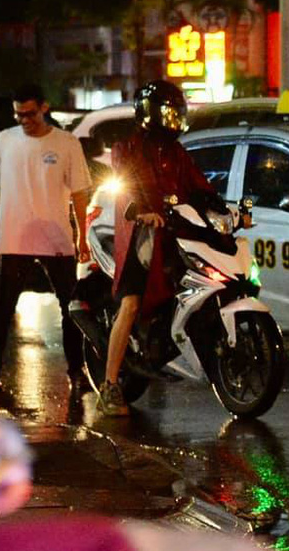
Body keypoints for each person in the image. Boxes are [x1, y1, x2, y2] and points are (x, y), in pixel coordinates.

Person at [96, 81, 226, 417]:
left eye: (176, 112)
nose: (173, 118)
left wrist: (222, 208)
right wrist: (141, 209)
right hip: (140, 235)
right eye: (168, 111)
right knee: (131, 302)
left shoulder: (176, 153)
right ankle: (109, 386)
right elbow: (127, 182)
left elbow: (197, 185)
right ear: (150, 112)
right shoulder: (127, 148)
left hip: (174, 232)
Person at [0, 82, 92, 398]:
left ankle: (76, 370)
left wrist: (82, 238)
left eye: (29, 113)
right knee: (3, 307)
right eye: (18, 115)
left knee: (69, 307)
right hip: (14, 238)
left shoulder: (67, 143)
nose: (24, 120)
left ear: (44, 108)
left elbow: (80, 194)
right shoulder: (5, 140)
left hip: (56, 237)